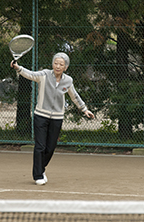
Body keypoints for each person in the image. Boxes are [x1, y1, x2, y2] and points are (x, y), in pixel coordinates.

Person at [10, 52, 95, 185]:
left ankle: (41, 168)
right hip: (40, 116)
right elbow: (31, 74)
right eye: (56, 63)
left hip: (57, 118)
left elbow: (74, 96)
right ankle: (38, 175)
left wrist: (84, 109)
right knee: (40, 146)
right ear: (52, 64)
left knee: (50, 147)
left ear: (65, 67)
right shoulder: (44, 75)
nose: (58, 66)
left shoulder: (68, 81)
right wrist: (18, 68)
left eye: (61, 64)